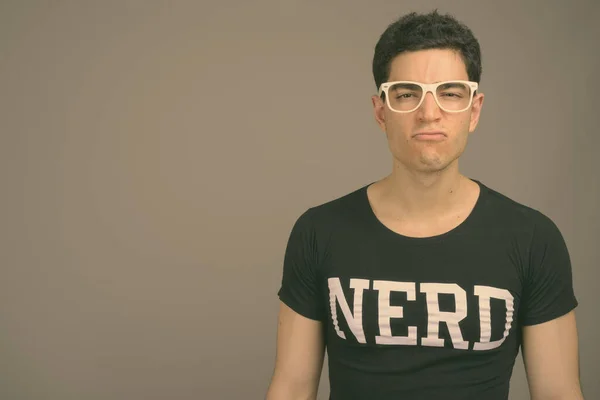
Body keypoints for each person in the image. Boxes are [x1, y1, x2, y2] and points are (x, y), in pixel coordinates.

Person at [265, 9, 583, 400]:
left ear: (475, 109)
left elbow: (557, 392)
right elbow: (293, 387)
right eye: (406, 94)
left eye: (450, 93)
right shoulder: (319, 231)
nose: (429, 113)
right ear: (381, 111)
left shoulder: (534, 239)